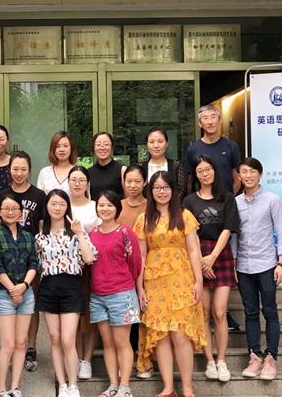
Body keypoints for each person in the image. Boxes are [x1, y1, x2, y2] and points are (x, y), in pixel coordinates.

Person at [134, 171, 206, 397]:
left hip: (182, 279)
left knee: (180, 334)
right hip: (154, 282)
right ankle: (168, 387)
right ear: (151, 191)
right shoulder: (143, 219)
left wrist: (198, 280)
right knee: (161, 335)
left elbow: (193, 250)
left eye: (165, 187)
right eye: (157, 188)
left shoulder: (185, 216)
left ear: (173, 190)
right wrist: (139, 287)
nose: (161, 192)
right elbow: (141, 256)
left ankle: (187, 387)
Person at [183, 105, 243, 333]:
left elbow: (236, 178)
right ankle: (216, 315)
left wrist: (226, 200)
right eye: (205, 118)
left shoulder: (231, 146)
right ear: (199, 124)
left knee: (229, 254)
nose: (209, 122)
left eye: (213, 117)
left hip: (225, 210)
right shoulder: (193, 149)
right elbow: (190, 181)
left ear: (219, 120)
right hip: (201, 213)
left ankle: (224, 312)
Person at [182, 157, 240, 383]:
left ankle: (222, 360)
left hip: (220, 253)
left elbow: (228, 229)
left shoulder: (227, 197)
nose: (205, 173)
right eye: (200, 171)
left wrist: (212, 257)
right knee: (204, 312)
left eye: (208, 169)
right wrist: (201, 262)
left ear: (215, 171)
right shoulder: (189, 200)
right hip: (198, 254)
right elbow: (190, 233)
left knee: (219, 311)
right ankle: (209, 360)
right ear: (196, 175)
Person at [232, 157, 282, 382]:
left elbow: (281, 231)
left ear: (260, 174)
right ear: (239, 176)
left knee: (270, 311)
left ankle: (271, 357)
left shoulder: (272, 200)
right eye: (244, 172)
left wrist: (281, 263)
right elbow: (233, 235)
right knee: (250, 312)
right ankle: (254, 356)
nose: (248, 176)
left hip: (266, 264)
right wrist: (234, 262)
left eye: (252, 171)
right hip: (243, 265)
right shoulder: (235, 202)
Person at [36, 189, 97, 397]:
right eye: (53, 203)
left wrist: (79, 232)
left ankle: (73, 385)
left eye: (62, 204)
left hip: (71, 286)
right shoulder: (40, 236)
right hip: (48, 287)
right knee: (54, 338)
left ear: (67, 207)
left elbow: (89, 258)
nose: (57, 208)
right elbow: (37, 265)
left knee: (68, 339)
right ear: (47, 206)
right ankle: (62, 384)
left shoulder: (76, 233)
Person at [0, 150, 46, 373]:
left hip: (30, 259)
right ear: (9, 170)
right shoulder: (1, 194)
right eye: (15, 169)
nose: (19, 173)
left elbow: (42, 227)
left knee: (30, 303)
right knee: (7, 303)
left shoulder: (39, 195)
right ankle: (10, 348)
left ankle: (30, 347)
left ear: (29, 170)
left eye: (23, 169)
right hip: (7, 258)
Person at [89, 190, 142, 397]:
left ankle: (125, 387)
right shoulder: (92, 233)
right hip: (97, 295)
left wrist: (128, 284)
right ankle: (113, 385)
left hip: (122, 294)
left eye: (109, 205)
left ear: (117, 208)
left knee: (122, 342)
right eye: (101, 205)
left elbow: (135, 263)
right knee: (108, 343)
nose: (105, 209)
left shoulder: (125, 232)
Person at [0, 193, 39, 397]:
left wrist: (24, 286)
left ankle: (15, 387)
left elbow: (34, 263)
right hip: (2, 294)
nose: (10, 212)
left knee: (21, 343)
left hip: (26, 294)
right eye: (6, 208)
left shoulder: (28, 236)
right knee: (8, 344)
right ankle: (1, 389)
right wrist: (12, 289)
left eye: (14, 209)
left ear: (21, 213)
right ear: (0, 211)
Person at [66, 165, 99, 381]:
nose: (77, 184)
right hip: (69, 267)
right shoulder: (62, 204)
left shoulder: (95, 206)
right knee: (74, 315)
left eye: (81, 180)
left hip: (92, 265)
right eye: (73, 180)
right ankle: (76, 358)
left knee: (90, 313)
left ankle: (87, 359)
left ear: (87, 183)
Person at [118, 164, 149, 377]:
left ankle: (144, 360)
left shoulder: (152, 206)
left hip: (148, 266)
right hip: (122, 269)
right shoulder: (117, 206)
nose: (132, 185)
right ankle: (128, 361)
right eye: (129, 181)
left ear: (145, 182)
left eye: (137, 181)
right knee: (127, 315)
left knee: (145, 313)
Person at [139, 127, 189, 201]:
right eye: (151, 142)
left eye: (160, 141)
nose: (156, 146)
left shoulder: (177, 166)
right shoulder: (140, 168)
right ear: (146, 145)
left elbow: (181, 192)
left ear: (166, 144)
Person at [87, 132, 125, 202]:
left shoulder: (122, 170)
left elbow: (127, 198)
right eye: (98, 145)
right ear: (93, 148)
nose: (102, 148)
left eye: (106, 144)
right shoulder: (88, 173)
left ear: (112, 147)